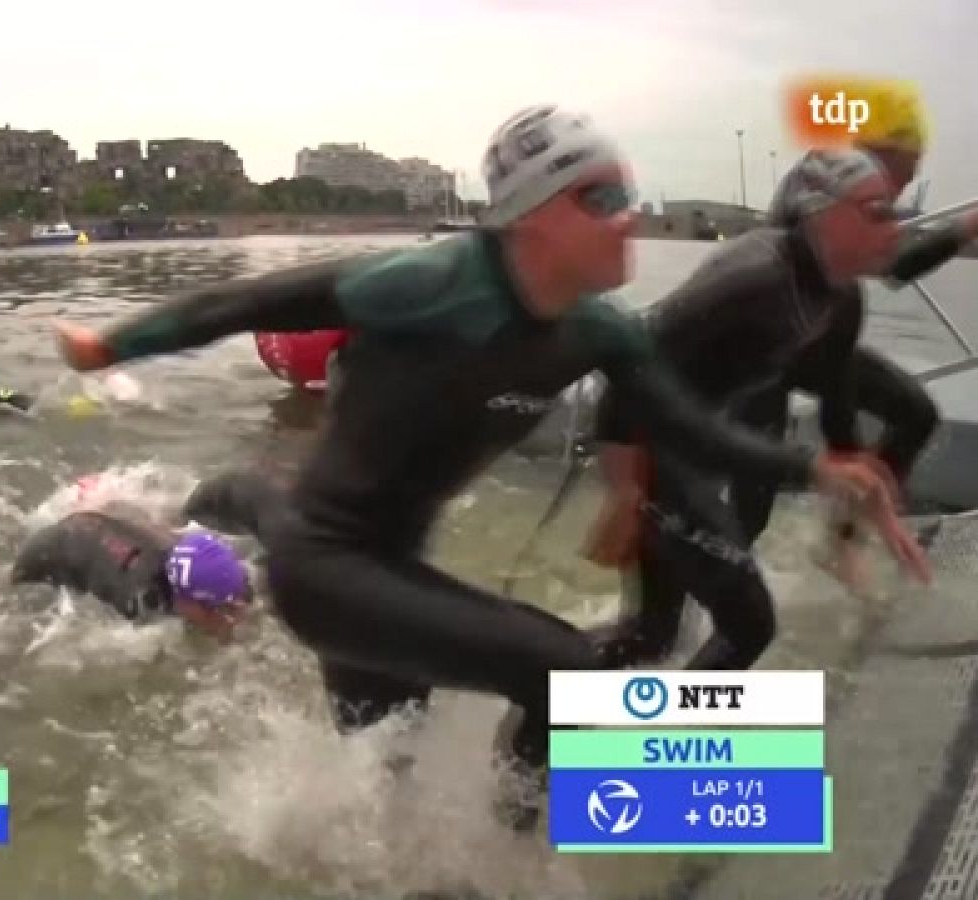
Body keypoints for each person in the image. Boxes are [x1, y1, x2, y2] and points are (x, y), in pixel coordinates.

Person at [50, 105, 924, 779]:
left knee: (379, 777)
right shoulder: (433, 283)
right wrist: (111, 346)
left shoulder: (598, 332)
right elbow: (252, 303)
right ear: (532, 213)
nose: (630, 216)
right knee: (567, 673)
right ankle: (523, 846)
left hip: (398, 574)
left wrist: (817, 466)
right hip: (328, 566)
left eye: (629, 193)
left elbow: (691, 427)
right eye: (602, 198)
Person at [585, 148, 932, 670]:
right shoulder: (755, 275)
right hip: (649, 447)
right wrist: (624, 490)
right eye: (876, 211)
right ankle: (554, 699)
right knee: (746, 625)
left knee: (656, 635)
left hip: (698, 444)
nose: (896, 228)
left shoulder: (842, 302)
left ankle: (547, 711)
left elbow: (839, 420)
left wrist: (871, 505)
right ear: (820, 212)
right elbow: (629, 361)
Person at [737, 80, 978, 559]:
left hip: (822, 344)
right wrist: (965, 228)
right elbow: (891, 267)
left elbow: (888, 268)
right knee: (753, 495)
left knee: (916, 413)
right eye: (903, 174)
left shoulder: (861, 195)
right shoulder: (821, 180)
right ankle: (710, 591)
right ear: (876, 153)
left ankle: (844, 536)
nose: (903, 188)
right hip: (761, 349)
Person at [10, 510, 254, 641]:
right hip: (46, 553)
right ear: (184, 601)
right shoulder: (142, 596)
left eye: (231, 606)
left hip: (91, 523)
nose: (229, 618)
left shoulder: (231, 576)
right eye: (217, 609)